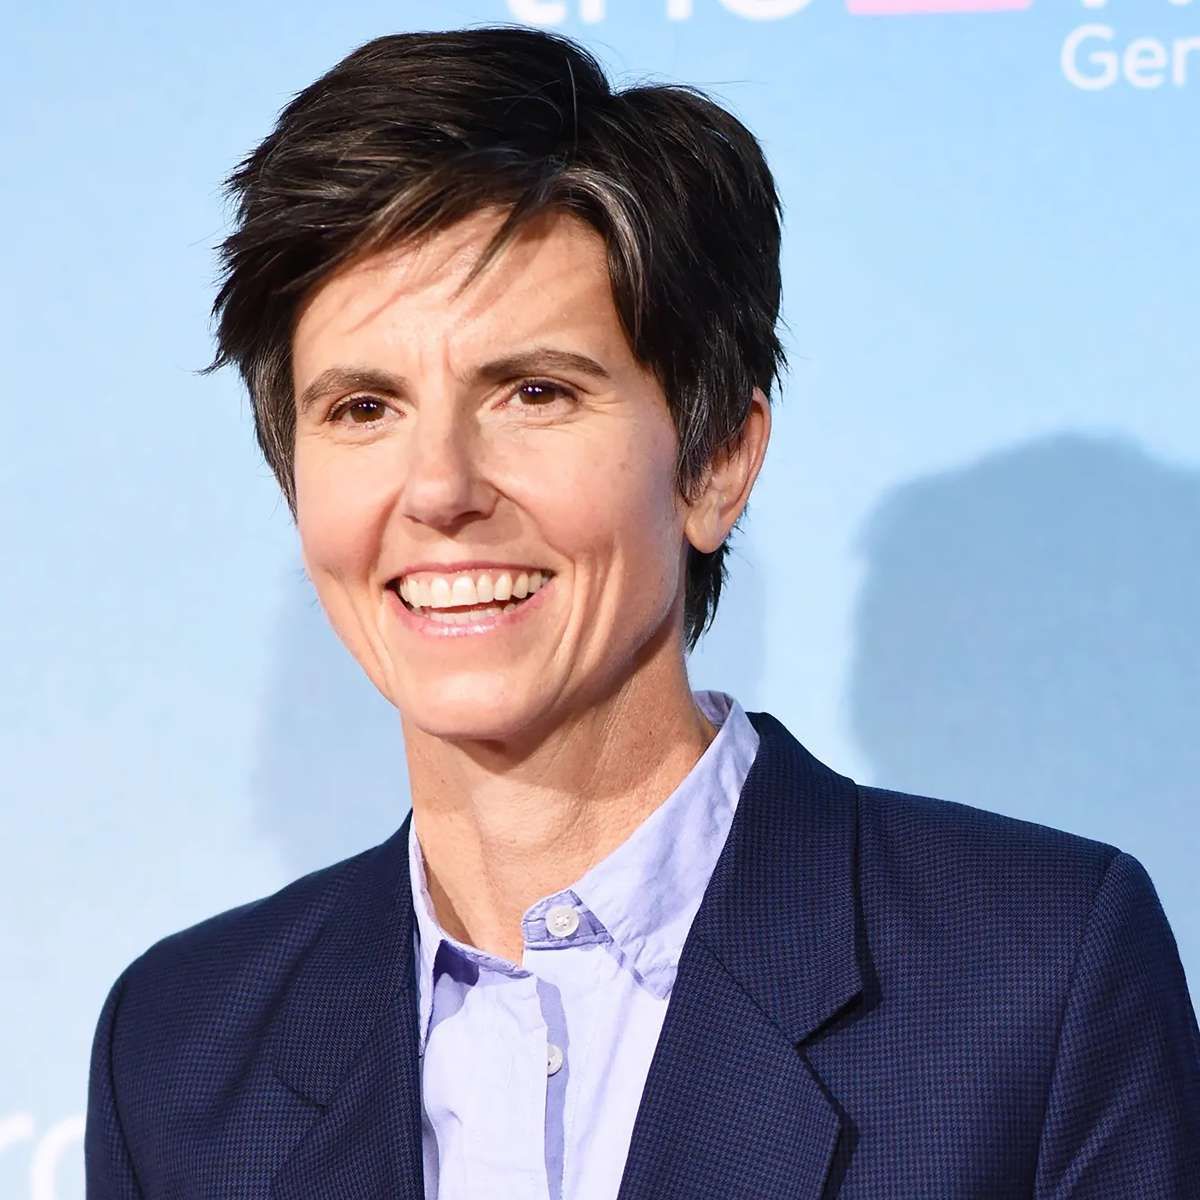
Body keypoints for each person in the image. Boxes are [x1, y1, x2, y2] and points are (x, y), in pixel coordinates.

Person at [84, 25, 1200, 1200]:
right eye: (364, 408)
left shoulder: (1036, 976)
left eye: (534, 392)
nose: (440, 489)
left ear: (715, 462)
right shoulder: (181, 1050)